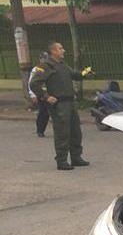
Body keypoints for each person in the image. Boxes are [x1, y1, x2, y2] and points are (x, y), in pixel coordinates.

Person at [29, 41, 92, 171]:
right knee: (62, 133)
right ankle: (62, 160)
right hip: (59, 104)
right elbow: (34, 84)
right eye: (60, 48)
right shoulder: (46, 66)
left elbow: (76, 75)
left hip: (70, 103)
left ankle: (76, 157)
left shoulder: (63, 65)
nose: (63, 50)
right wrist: (45, 97)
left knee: (75, 131)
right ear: (53, 52)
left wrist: (85, 72)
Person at [28, 52, 51, 137]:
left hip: (52, 94)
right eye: (43, 58)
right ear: (40, 59)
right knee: (43, 113)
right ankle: (40, 130)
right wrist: (33, 95)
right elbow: (31, 82)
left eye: (46, 58)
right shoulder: (36, 69)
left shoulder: (51, 68)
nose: (44, 60)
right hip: (41, 94)